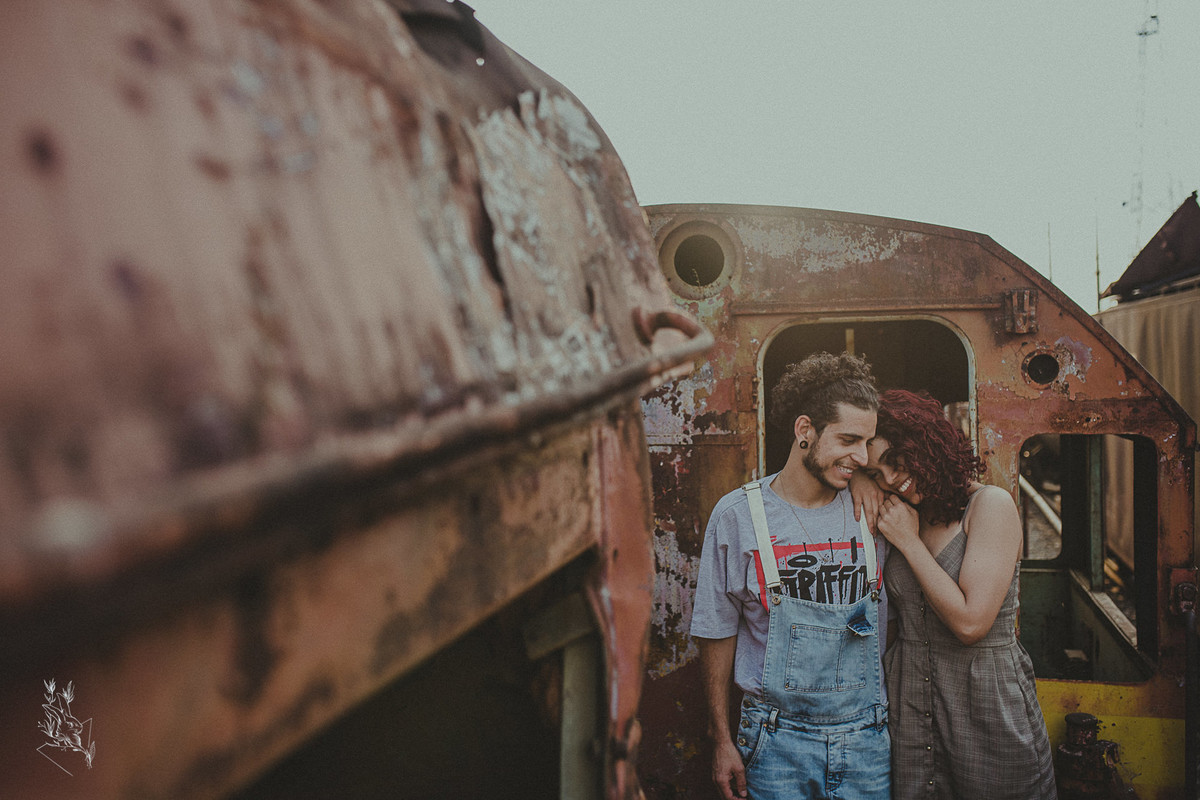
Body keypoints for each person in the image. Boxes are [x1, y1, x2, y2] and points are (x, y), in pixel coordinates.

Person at [690, 352, 889, 800]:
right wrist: (721, 739)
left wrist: (864, 477)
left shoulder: (875, 509)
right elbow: (716, 631)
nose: (862, 455)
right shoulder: (738, 516)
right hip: (773, 742)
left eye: (868, 442)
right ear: (805, 431)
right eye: (849, 439)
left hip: (867, 741)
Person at [852, 389, 1057, 799]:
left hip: (984, 707)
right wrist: (859, 476)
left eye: (895, 461)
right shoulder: (900, 509)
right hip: (911, 708)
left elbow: (970, 623)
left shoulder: (989, 506)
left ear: (927, 446)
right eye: (877, 472)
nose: (890, 479)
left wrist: (909, 543)